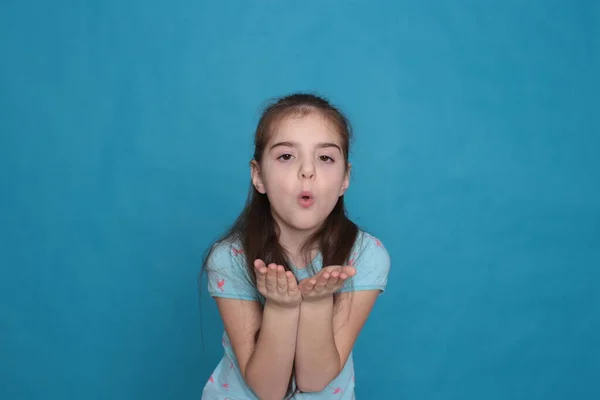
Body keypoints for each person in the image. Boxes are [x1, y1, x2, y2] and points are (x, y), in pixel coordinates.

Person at [201, 93, 391, 399]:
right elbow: (268, 388)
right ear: (258, 175)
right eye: (286, 156)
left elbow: (315, 380)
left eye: (325, 157)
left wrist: (316, 303)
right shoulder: (230, 258)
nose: (307, 171)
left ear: (345, 179)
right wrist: (282, 307)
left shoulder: (365, 255)